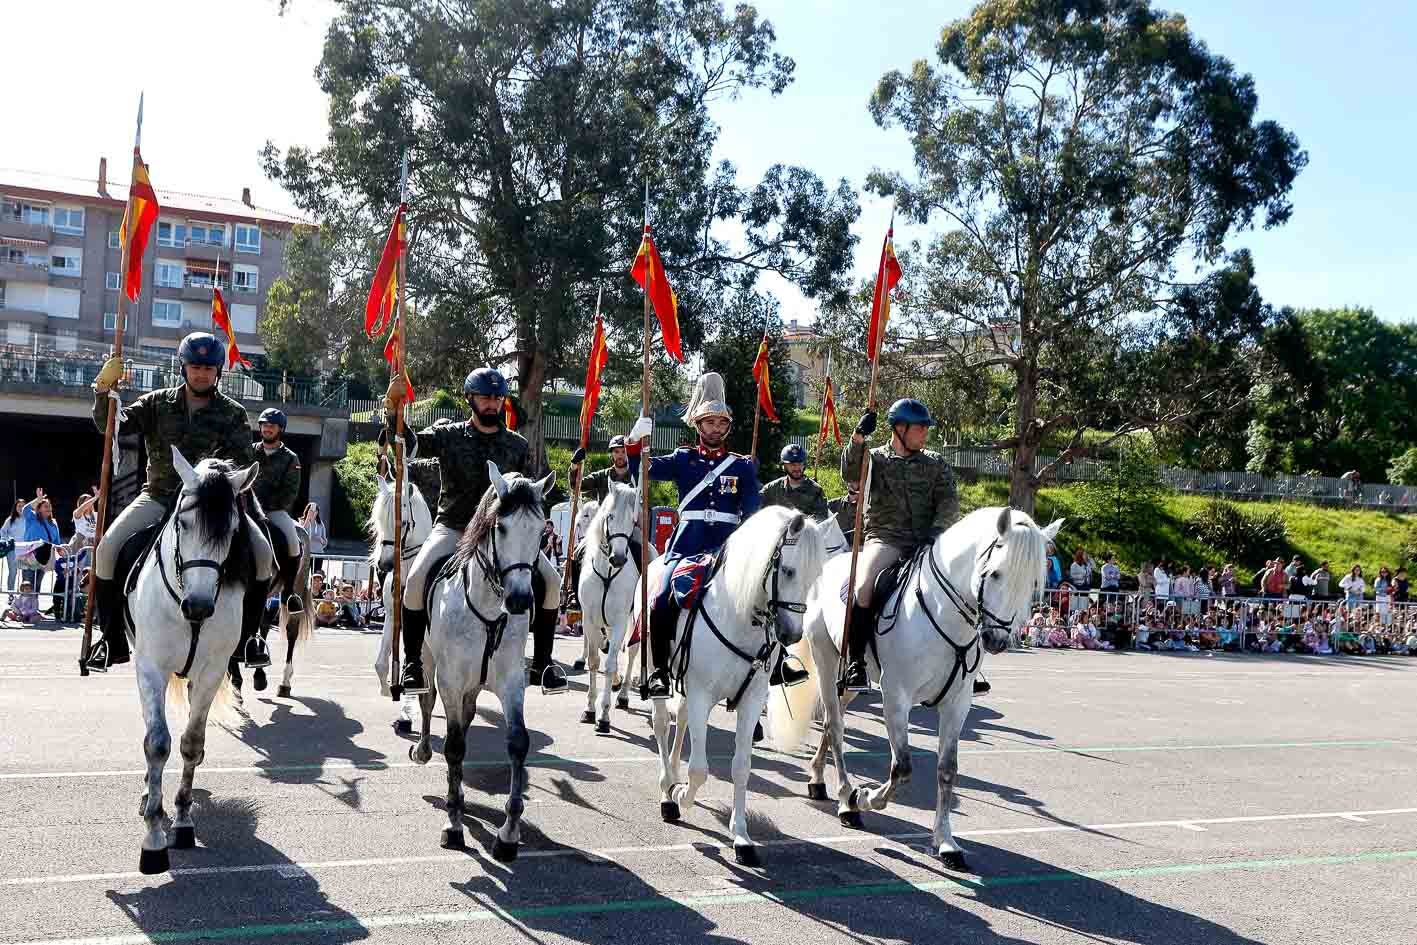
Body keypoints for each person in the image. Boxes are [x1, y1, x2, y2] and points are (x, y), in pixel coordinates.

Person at [83, 332, 276, 673]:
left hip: (210, 507)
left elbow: (242, 462)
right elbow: (111, 426)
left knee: (263, 555)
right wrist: (103, 390)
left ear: (218, 372)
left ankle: (249, 640)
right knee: (106, 549)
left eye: (209, 368)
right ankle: (110, 639)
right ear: (183, 367)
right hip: (158, 497)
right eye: (195, 366)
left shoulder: (233, 413)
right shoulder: (156, 403)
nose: (201, 373)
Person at [384, 366, 565, 694]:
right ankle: (413, 664)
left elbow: (526, 496)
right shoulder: (448, 435)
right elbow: (406, 445)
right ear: (470, 399)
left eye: (498, 397)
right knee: (413, 582)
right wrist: (392, 409)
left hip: (502, 535)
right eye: (485, 397)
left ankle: (543, 663)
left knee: (552, 581)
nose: (493, 404)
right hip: (453, 527)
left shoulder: (517, 445)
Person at [624, 372, 776, 699]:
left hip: (727, 550)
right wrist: (635, 442)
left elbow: (751, 514)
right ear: (697, 425)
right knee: (661, 600)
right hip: (686, 546)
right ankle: (661, 673)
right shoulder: (683, 459)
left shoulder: (741, 467)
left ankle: (766, 675)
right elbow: (642, 468)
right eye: (710, 423)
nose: (716, 429)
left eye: (722, 423)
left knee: (764, 601)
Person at [840, 398, 959, 691]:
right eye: (920, 428)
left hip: (927, 540)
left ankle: (965, 662)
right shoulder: (875, 459)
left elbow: (948, 502)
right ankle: (856, 662)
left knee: (963, 583)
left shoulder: (934, 463)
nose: (925, 434)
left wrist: (937, 533)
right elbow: (850, 474)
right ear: (900, 429)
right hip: (886, 538)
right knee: (864, 585)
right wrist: (858, 438)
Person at [252, 408, 306, 628]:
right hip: (247, 508)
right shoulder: (249, 452)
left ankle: (290, 593)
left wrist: (266, 510)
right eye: (264, 424)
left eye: (271, 425)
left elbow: (290, 492)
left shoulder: (291, 458)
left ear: (280, 429)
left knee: (293, 543)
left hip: (274, 511)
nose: (266, 428)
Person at [759, 443, 830, 520]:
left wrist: (802, 521)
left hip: (805, 530)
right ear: (785, 466)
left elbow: (822, 518)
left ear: (804, 465)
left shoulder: (816, 490)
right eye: (792, 464)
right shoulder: (772, 488)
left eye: (799, 464)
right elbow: (755, 505)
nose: (797, 468)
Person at [4, 499, 28, 592]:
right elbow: (2, 532)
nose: (21, 508)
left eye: (23, 506)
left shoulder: (29, 519)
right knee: (13, 572)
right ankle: (11, 594)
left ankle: (24, 594)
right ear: (15, 507)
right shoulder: (10, 519)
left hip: (26, 550)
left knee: (25, 573)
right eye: (19, 506)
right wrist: (7, 540)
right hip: (12, 550)